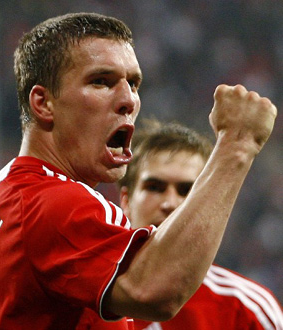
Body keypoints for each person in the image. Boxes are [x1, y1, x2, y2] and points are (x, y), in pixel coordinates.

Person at [0, 12, 277, 330]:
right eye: (101, 81)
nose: (129, 100)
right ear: (43, 103)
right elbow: (157, 291)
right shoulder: (53, 204)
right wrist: (237, 144)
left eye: (133, 83)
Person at [118, 119, 283, 330]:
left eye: (187, 190)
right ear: (126, 201)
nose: (170, 203)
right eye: (155, 187)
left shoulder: (246, 311)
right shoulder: (85, 296)